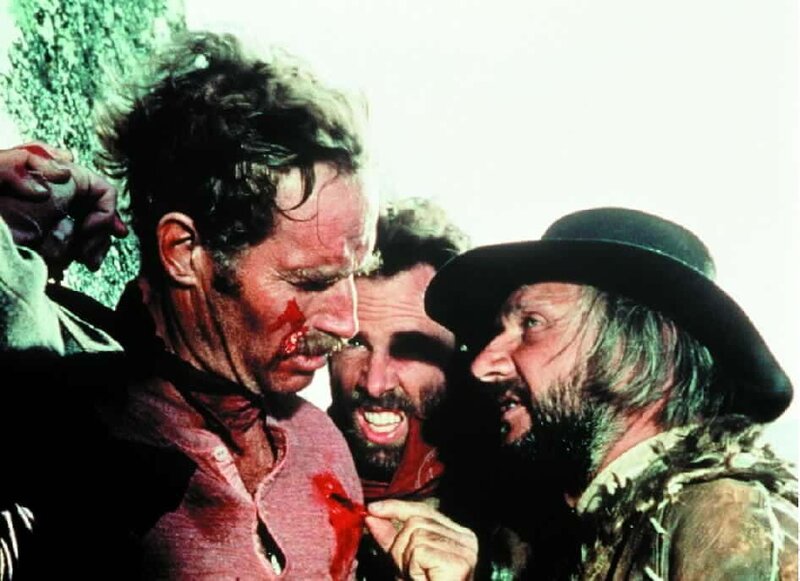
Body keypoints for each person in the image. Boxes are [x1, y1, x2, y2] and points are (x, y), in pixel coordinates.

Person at [0, 31, 376, 579]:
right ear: (183, 251)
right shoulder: (57, 427)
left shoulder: (320, 447)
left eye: (353, 274)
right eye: (311, 281)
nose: (347, 321)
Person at [424, 207, 798, 579]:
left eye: (532, 324)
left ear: (642, 351)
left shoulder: (724, 520)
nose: (483, 365)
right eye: (498, 331)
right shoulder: (576, 530)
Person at [328, 198, 479, 579]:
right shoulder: (271, 475)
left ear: (462, 359)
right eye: (354, 343)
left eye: (410, 348)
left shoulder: (522, 513)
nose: (375, 383)